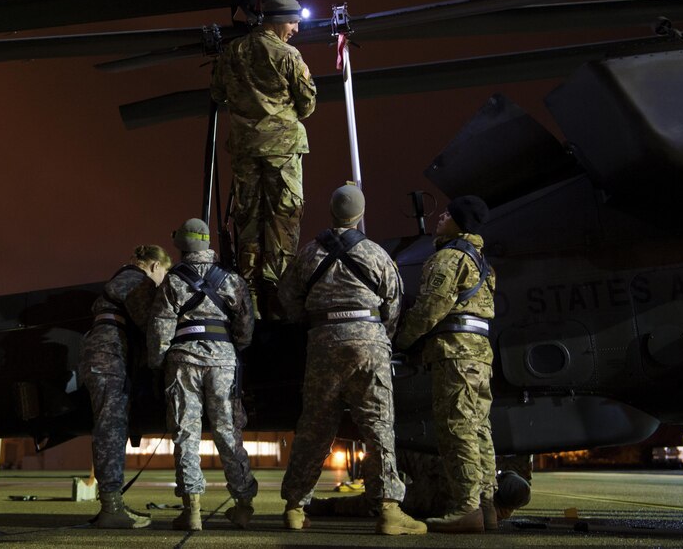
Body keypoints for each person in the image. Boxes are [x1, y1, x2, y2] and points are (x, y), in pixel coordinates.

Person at [277, 184, 427, 536]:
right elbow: (393, 304)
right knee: (378, 427)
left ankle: (295, 507)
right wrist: (379, 338)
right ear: (359, 215)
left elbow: (287, 299)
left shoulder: (309, 254)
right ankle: (389, 511)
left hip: (323, 341)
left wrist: (312, 324)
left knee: (314, 427)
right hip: (368, 341)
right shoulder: (377, 254)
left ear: (331, 212)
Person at [210, 0, 317, 317]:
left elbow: (217, 93)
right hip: (281, 151)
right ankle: (279, 305)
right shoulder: (288, 55)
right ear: (277, 20)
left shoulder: (233, 52)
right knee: (282, 222)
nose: (296, 28)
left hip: (245, 150)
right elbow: (308, 103)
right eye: (293, 21)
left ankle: (250, 305)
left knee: (248, 223)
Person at [394, 195, 497, 533]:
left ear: (459, 222)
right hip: (479, 356)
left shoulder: (448, 258)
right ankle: (487, 505)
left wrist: (401, 341)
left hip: (455, 354)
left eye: (448, 214)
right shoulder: (482, 262)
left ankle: (467, 507)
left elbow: (430, 309)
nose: (440, 218)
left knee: (457, 429)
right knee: (479, 429)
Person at [148, 218, 258, 531]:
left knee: (186, 433)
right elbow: (246, 326)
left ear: (181, 244)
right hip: (223, 363)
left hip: (183, 362)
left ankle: (192, 509)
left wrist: (156, 362)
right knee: (227, 432)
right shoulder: (231, 279)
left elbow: (160, 328)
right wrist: (231, 347)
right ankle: (243, 505)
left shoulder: (172, 280)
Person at [78, 244, 173, 529]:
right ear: (155, 266)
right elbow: (149, 320)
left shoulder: (122, 277)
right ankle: (111, 507)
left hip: (105, 354)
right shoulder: (136, 279)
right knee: (111, 427)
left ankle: (113, 503)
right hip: (109, 356)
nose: (161, 282)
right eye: (164, 275)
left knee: (112, 425)